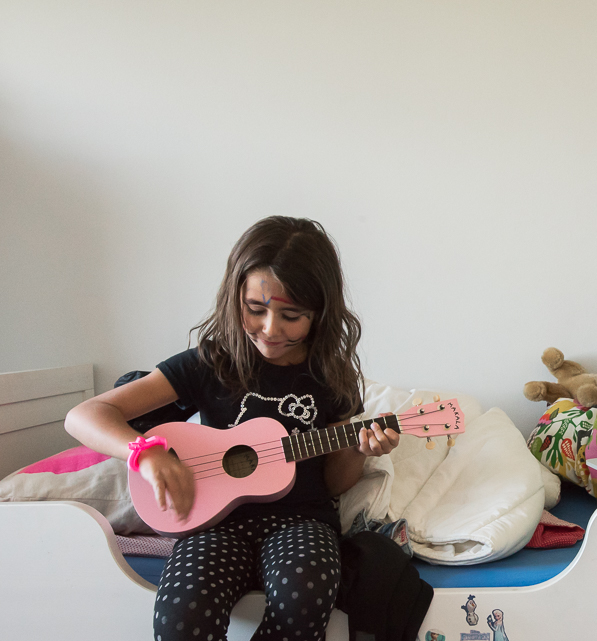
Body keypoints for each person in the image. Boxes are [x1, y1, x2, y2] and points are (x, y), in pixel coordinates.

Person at [65, 216, 399, 641]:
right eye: (255, 309)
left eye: (291, 315)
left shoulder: (331, 375)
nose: (270, 329)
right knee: (180, 618)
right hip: (212, 524)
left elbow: (334, 482)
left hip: (300, 521)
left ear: (320, 313)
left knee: (304, 596)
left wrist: (358, 448)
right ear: (234, 296)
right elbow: (84, 415)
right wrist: (144, 451)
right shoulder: (209, 363)